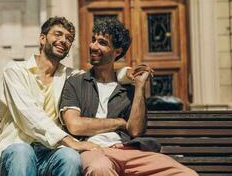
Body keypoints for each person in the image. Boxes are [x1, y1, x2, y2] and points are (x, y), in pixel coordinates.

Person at [59, 18, 198, 176]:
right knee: (100, 168)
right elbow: (75, 125)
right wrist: (119, 123)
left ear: (117, 52)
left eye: (102, 43)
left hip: (129, 149)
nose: (93, 46)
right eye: (93, 40)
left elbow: (135, 130)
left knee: (187, 174)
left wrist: (139, 87)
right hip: (93, 149)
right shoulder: (76, 82)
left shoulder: (128, 90)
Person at [0, 16, 99, 176]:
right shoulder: (15, 71)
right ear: (42, 38)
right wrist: (68, 140)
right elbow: (30, 116)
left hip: (51, 153)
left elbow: (100, 76)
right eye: (58, 34)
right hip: (17, 148)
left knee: (70, 157)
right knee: (23, 153)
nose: (63, 40)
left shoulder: (71, 76)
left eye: (69, 38)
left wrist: (126, 74)